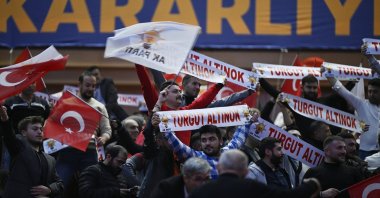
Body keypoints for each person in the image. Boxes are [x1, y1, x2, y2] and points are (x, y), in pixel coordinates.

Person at [190, 149, 338, 198]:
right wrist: (312, 185)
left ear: (219, 168)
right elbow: (286, 197)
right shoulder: (253, 187)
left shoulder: (200, 192)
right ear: (245, 170)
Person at [152, 111, 256, 179]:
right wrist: (163, 124)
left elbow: (239, 138)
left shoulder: (228, 152)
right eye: (204, 140)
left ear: (220, 141)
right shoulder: (197, 157)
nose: (207, 143)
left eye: (211, 139)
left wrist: (249, 119)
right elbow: (178, 146)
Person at [56, 70, 112, 188]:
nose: (91, 88)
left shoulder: (100, 106)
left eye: (93, 86)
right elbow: (55, 126)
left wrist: (104, 138)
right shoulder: (66, 103)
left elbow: (107, 129)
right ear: (79, 84)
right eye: (87, 85)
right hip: (67, 152)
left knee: (90, 189)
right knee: (59, 187)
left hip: (90, 154)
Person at [0, 107, 63, 198]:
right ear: (24, 133)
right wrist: (5, 120)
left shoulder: (50, 159)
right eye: (35, 129)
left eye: (41, 129)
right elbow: (9, 136)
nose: (39, 132)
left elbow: (60, 184)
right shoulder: (19, 149)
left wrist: (50, 189)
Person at [324, 71, 380, 159]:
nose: (371, 94)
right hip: (365, 152)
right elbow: (341, 90)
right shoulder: (361, 104)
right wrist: (328, 74)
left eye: (375, 92)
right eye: (369, 91)